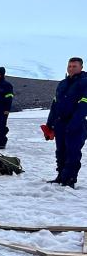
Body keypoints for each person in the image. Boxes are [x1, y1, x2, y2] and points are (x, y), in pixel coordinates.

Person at [46, 57, 87, 188]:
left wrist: (74, 123)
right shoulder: (62, 84)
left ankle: (69, 179)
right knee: (61, 151)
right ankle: (61, 176)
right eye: (69, 66)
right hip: (60, 123)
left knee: (72, 152)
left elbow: (84, 106)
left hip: (76, 124)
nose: (71, 68)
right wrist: (49, 125)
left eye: (74, 66)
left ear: (81, 67)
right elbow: (54, 104)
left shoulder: (84, 83)